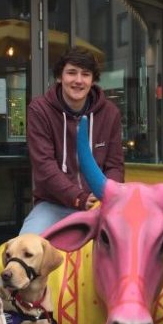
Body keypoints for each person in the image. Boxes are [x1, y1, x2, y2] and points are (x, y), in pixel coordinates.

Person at [20, 47, 124, 235]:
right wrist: (79, 198)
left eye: (85, 74)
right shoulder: (40, 110)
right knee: (24, 248)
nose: (78, 80)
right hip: (53, 205)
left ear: (93, 81)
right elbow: (44, 167)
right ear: (59, 77)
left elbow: (114, 165)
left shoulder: (110, 113)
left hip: (100, 205)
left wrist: (107, 196)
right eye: (71, 73)